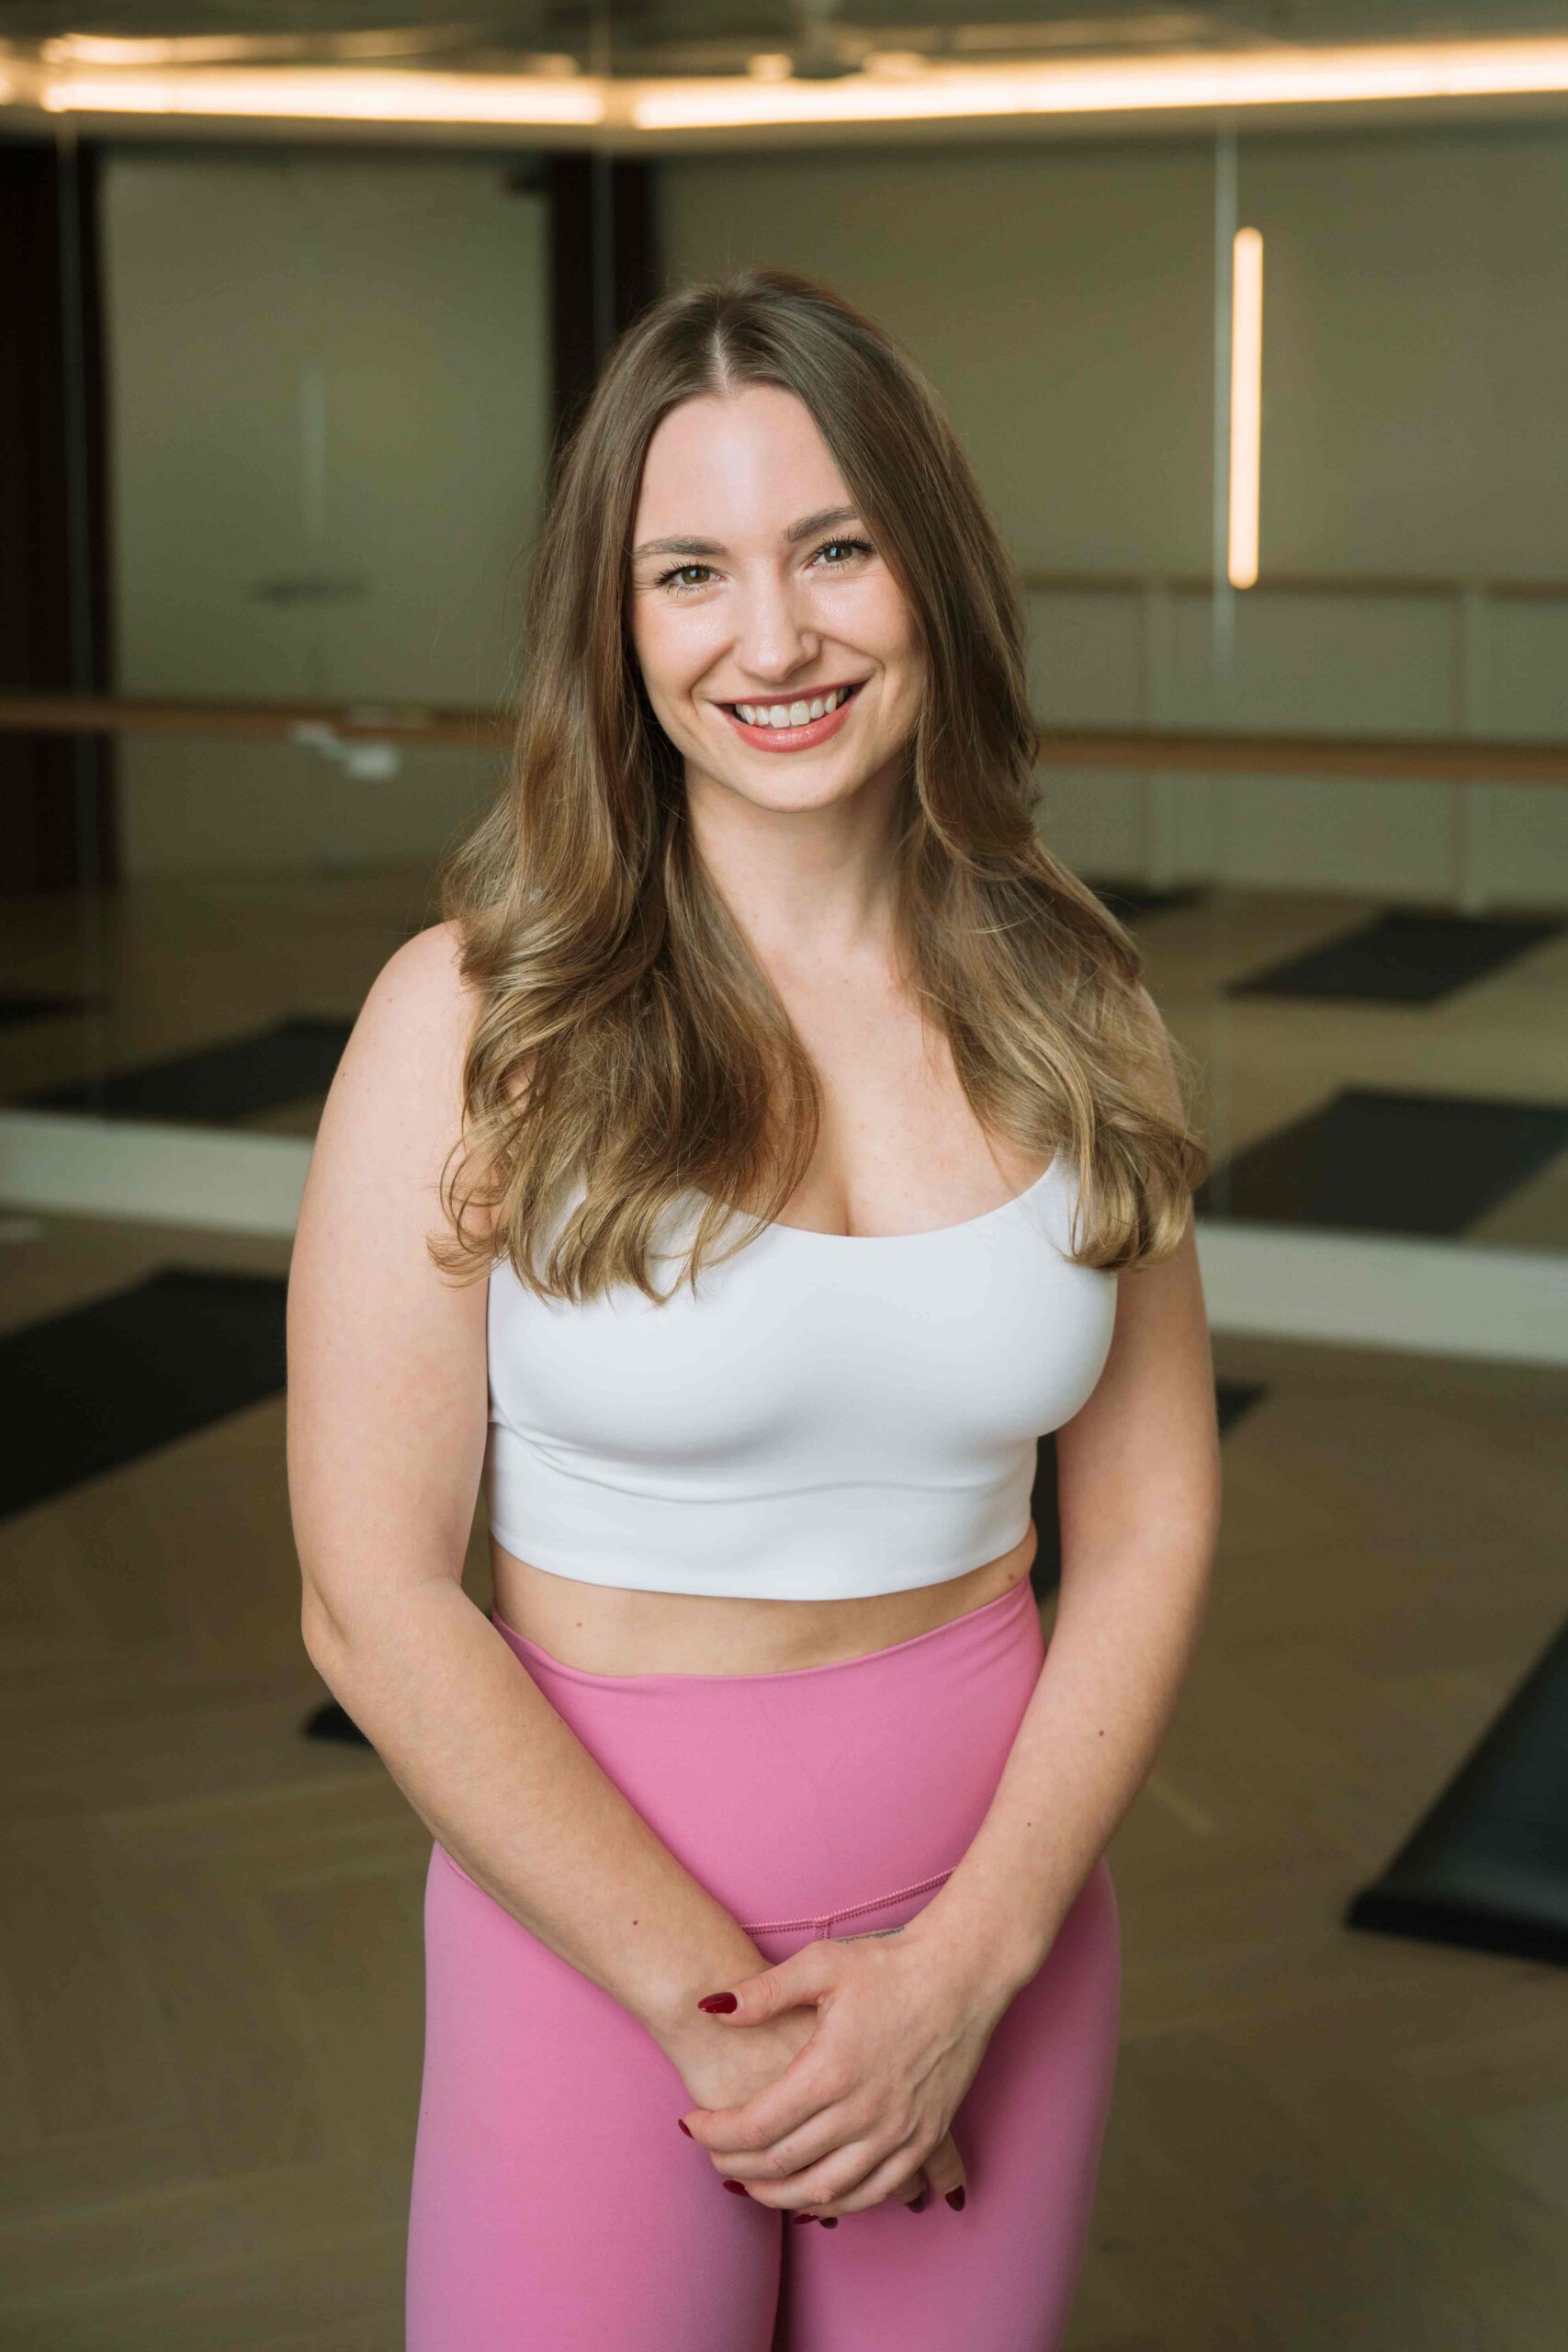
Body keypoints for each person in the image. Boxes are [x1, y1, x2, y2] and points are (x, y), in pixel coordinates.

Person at [288, 265, 1220, 2352]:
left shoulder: (1077, 999)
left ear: (930, 574)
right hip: (586, 1946)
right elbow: (368, 1591)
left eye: (833, 550)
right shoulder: (470, 1021)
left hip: (995, 1929)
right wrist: (732, 2021)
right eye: (687, 571)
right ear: (614, 629)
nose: (771, 638)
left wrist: (962, 1970)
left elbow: (1149, 1516)